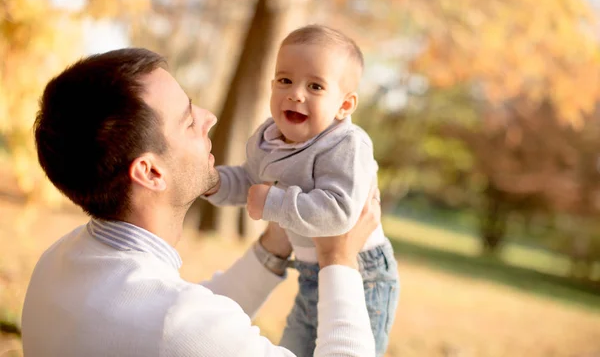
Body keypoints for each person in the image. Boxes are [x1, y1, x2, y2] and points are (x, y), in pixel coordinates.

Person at [21, 47, 383, 357]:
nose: (208, 118)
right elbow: (186, 328)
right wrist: (338, 257)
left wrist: (274, 246)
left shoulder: (58, 261)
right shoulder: (173, 324)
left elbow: (192, 321)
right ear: (150, 172)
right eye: (188, 120)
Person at [202, 25, 400, 357]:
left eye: (315, 86)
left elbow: (338, 213)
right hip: (311, 273)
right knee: (293, 347)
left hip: (362, 277)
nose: (296, 93)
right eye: (285, 80)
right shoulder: (269, 139)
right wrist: (214, 183)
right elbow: (250, 182)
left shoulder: (346, 145)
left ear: (344, 105)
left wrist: (275, 203)